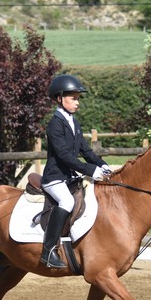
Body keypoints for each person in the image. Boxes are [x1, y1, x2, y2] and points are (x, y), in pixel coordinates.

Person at [40, 74, 111, 269]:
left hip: (69, 177)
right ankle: (48, 251)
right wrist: (90, 170)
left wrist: (103, 165)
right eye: (73, 98)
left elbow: (85, 151)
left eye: (78, 98)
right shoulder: (55, 124)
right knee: (67, 201)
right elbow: (64, 156)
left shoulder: (73, 122)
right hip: (55, 178)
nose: (77, 102)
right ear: (59, 99)